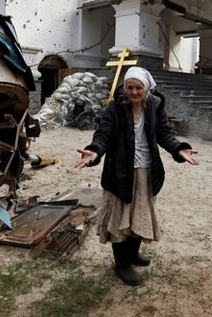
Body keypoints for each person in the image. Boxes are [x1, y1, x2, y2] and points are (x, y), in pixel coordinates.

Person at [75, 67, 199, 286]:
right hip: (120, 171)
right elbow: (104, 134)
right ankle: (121, 264)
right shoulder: (116, 107)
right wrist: (94, 151)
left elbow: (164, 133)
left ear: (146, 88)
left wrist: (179, 149)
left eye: (138, 88)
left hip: (146, 170)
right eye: (129, 88)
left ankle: (133, 254)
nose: (133, 92)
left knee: (140, 214)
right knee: (120, 218)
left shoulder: (155, 105)